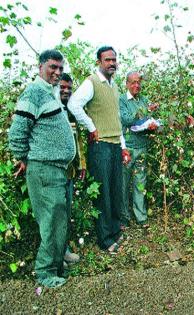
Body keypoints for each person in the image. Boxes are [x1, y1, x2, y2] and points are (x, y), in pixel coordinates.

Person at [8, 49, 76, 288]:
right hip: (44, 169)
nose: (57, 72)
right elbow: (17, 133)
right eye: (52, 67)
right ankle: (46, 274)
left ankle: (56, 268)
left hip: (55, 169)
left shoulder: (50, 92)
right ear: (40, 67)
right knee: (51, 222)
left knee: (58, 220)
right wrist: (23, 157)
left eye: (60, 68)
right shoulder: (35, 92)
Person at [68, 46, 130, 253]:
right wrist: (91, 127)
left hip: (113, 145)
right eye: (107, 60)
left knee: (114, 191)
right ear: (99, 62)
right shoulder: (92, 82)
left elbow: (116, 119)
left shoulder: (113, 85)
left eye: (114, 59)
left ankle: (113, 232)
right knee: (103, 193)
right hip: (100, 146)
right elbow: (74, 104)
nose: (112, 63)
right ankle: (105, 240)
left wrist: (123, 146)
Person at [119, 71, 158, 228]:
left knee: (140, 183)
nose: (136, 85)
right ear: (127, 84)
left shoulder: (144, 99)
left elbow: (145, 122)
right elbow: (127, 119)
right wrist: (145, 113)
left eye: (138, 82)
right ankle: (123, 217)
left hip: (142, 147)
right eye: (133, 82)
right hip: (127, 148)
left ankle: (140, 217)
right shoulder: (122, 100)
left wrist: (151, 123)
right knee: (123, 183)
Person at [59, 73, 85, 265]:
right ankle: (56, 257)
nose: (66, 91)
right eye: (62, 88)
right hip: (54, 173)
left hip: (69, 173)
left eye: (69, 88)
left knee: (66, 213)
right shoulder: (51, 111)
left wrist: (81, 164)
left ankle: (64, 251)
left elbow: (78, 141)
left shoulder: (70, 112)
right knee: (54, 216)